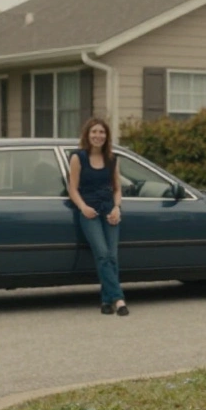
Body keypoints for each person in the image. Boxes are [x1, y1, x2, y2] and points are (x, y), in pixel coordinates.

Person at [67, 118, 129, 317]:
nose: (98, 136)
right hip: (89, 211)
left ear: (106, 136)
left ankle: (105, 300)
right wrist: (83, 207)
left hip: (110, 210)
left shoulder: (112, 159)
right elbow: (72, 189)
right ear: (87, 134)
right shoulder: (78, 158)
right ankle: (119, 299)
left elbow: (117, 189)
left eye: (102, 132)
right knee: (102, 254)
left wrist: (117, 208)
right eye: (94, 132)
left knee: (112, 256)